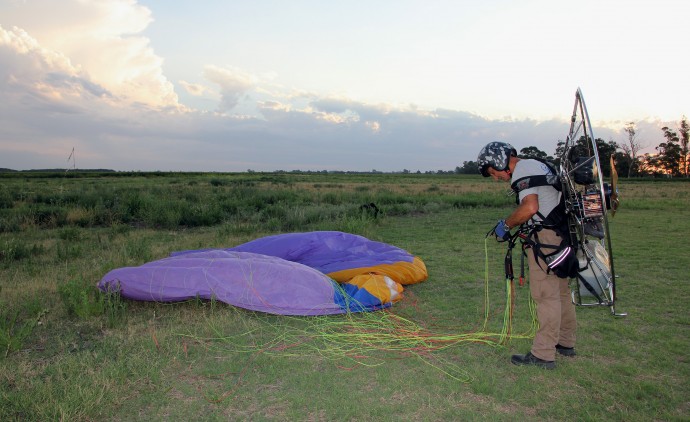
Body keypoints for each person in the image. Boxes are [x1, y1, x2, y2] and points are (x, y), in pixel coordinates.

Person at [477, 141, 577, 369]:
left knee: (546, 295)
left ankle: (543, 354)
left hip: (547, 239)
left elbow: (530, 207)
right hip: (561, 235)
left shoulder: (522, 169)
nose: (496, 178)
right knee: (561, 292)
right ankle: (565, 343)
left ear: (499, 160)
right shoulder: (540, 164)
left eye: (493, 172)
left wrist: (506, 225)